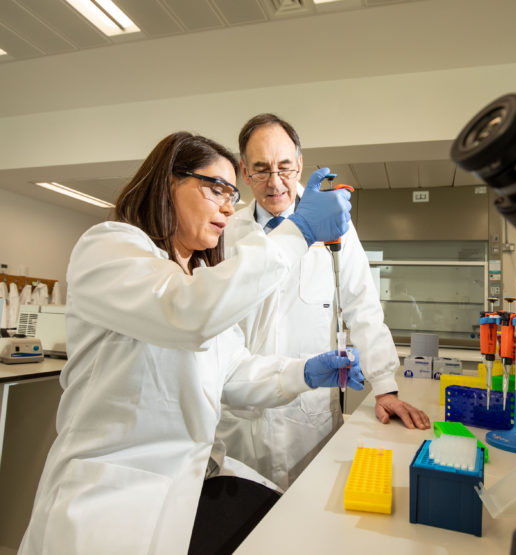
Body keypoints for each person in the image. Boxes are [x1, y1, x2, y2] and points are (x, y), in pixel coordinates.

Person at [18, 131, 364, 555]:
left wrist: (304, 372)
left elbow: (233, 371)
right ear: (168, 184)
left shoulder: (194, 278)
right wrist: (298, 231)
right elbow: (187, 313)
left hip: (183, 494)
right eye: (215, 188)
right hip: (108, 507)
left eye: (232, 193)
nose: (227, 205)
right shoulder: (110, 248)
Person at [215, 114, 430, 491]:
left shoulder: (334, 227)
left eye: (284, 167)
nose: (275, 182)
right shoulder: (226, 233)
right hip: (239, 415)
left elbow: (362, 304)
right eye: (261, 170)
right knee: (243, 521)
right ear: (244, 174)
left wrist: (385, 387)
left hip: (306, 413)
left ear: (300, 165)